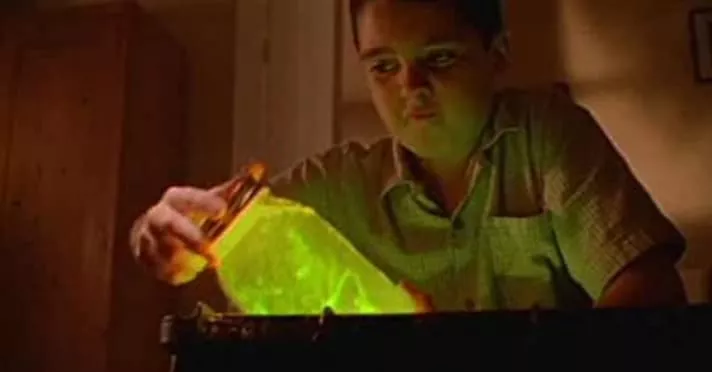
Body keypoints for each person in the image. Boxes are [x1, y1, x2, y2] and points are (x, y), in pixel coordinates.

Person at [129, 0, 687, 311]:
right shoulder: (341, 182)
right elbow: (217, 224)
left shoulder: (546, 136)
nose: (410, 88)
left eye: (438, 59)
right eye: (383, 66)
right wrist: (161, 235)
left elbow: (650, 293)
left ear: (497, 55)